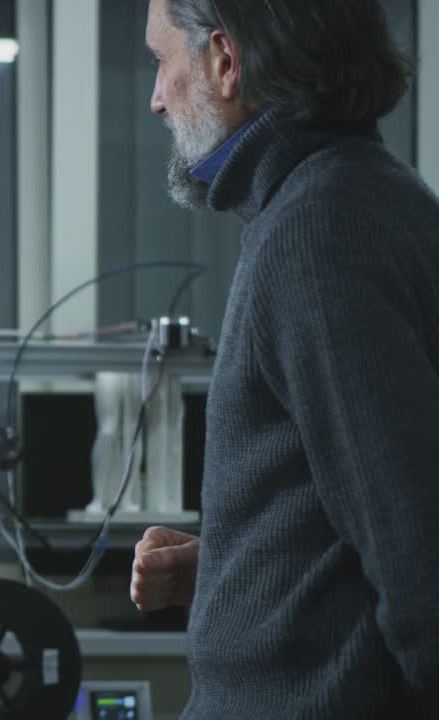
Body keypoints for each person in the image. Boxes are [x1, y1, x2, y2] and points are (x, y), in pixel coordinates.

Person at [130, 1, 439, 717]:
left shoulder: (319, 233)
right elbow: (362, 500)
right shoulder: (368, 199)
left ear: (225, 61)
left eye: (160, 60)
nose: (154, 99)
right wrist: (237, 563)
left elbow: (416, 550)